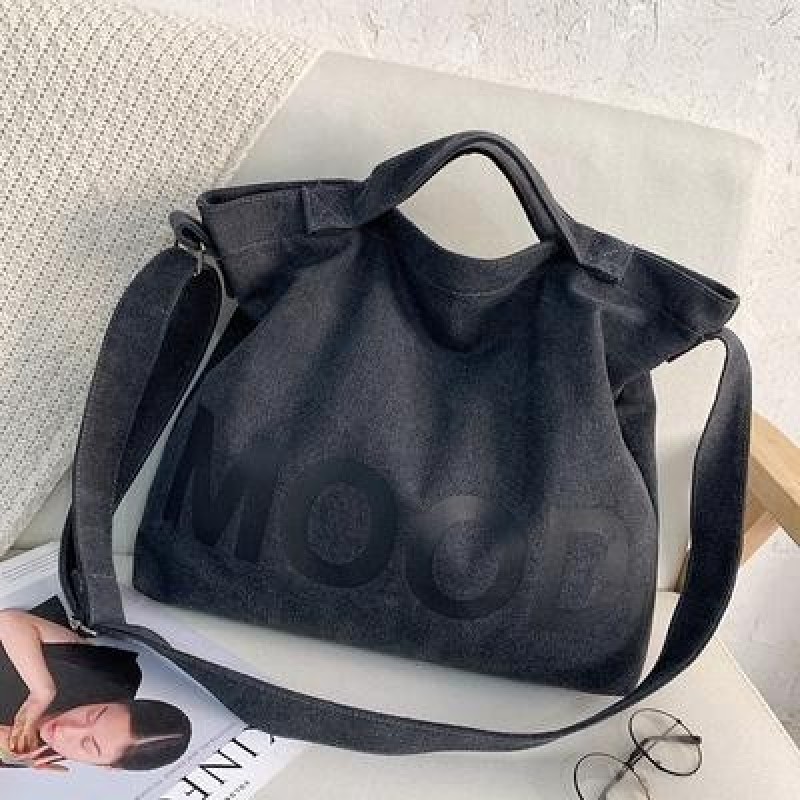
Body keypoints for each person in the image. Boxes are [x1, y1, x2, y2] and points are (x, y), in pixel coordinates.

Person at [0, 600, 192, 772]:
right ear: (117, 702)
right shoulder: (107, 677)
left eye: (87, 745)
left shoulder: (28, 754)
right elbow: (9, 621)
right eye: (92, 715)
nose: (66, 730)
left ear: (106, 766)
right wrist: (42, 691)